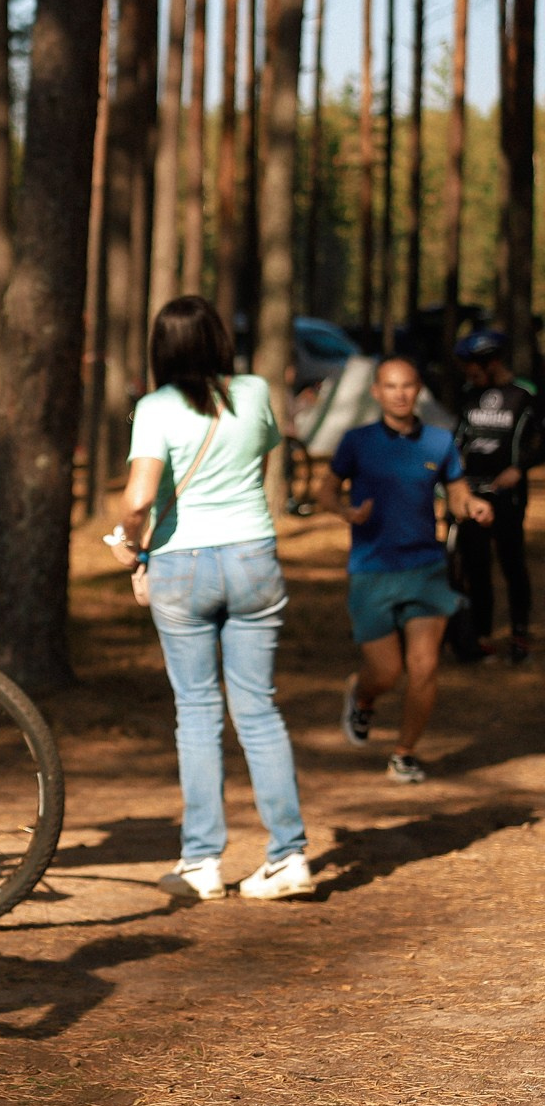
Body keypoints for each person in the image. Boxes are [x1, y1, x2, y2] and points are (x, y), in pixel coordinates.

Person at [107, 297, 312, 901]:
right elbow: (262, 451)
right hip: (253, 558)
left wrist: (126, 542)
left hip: (182, 566)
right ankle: (289, 856)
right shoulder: (253, 392)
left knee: (197, 712)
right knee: (259, 710)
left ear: (161, 349)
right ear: (219, 340)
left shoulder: (155, 407)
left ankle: (201, 863)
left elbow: (141, 497)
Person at [320, 356, 495, 785]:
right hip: (372, 569)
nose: (400, 394)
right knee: (387, 672)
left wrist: (469, 505)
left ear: (419, 391)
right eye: (391, 387)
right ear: (376, 392)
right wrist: (345, 511)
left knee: (425, 667)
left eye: (408, 386)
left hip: (425, 567)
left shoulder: (438, 442)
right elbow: (327, 488)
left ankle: (404, 753)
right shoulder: (357, 441)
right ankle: (362, 697)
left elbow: (455, 493)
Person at [449, 329, 538, 662]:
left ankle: (519, 633)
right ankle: (480, 634)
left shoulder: (523, 393)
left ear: (493, 361)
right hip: (471, 493)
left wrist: (520, 468)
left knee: (512, 563)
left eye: (473, 365)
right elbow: (458, 437)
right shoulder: (468, 394)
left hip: (508, 496)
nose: (469, 373)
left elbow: (538, 440)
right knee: (475, 565)